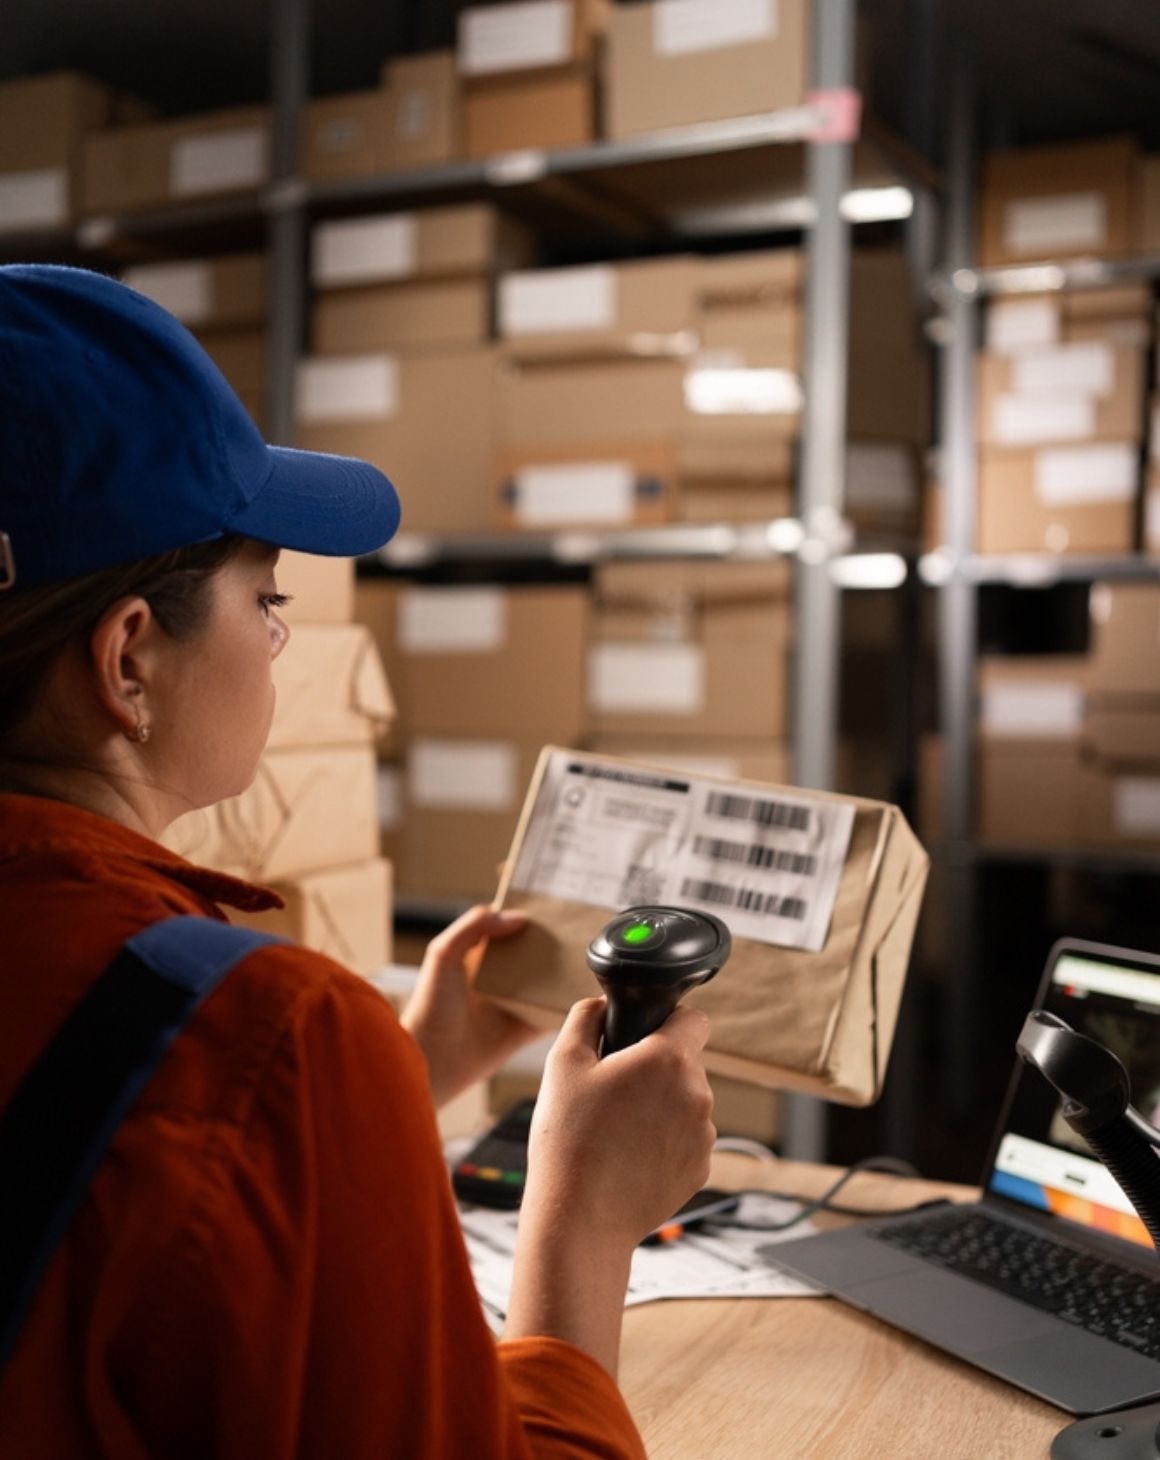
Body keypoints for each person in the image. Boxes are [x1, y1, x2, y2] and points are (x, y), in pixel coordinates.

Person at [0, 265, 716, 1458]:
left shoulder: (250, 1046)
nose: (279, 641)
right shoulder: (266, 1029)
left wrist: (395, 1074)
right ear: (129, 659)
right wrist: (585, 1221)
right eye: (266, 598)